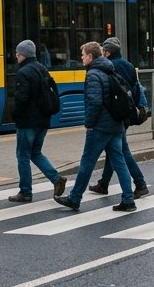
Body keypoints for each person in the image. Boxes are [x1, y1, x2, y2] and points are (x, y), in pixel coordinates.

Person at [55, 41, 135, 212]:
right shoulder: (110, 69)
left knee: (87, 162)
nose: (81, 58)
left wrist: (89, 123)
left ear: (90, 57)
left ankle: (74, 198)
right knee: (119, 161)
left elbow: (95, 102)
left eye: (83, 55)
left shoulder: (93, 74)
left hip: (100, 127)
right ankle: (128, 199)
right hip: (116, 124)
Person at [89, 36, 149, 198]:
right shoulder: (128, 65)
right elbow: (137, 88)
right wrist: (141, 107)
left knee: (121, 151)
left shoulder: (110, 67)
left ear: (107, 53)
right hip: (126, 112)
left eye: (103, 51)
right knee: (114, 149)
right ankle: (103, 184)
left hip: (115, 114)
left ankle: (140, 183)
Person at [8, 40, 66, 202]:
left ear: (23, 55)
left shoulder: (24, 72)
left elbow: (21, 99)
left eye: (18, 54)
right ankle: (56, 179)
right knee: (35, 152)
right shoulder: (42, 69)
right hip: (43, 120)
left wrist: (15, 115)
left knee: (23, 156)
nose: (16, 57)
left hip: (28, 122)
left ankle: (25, 191)